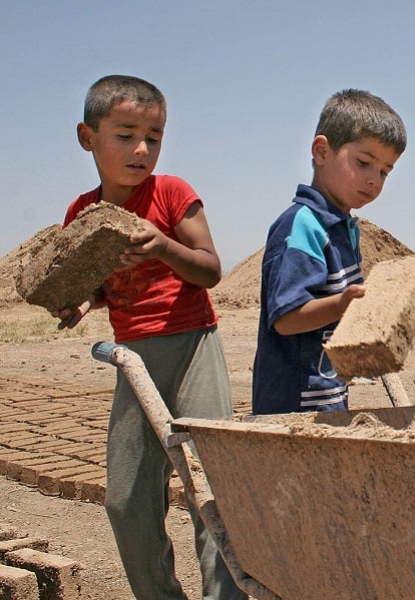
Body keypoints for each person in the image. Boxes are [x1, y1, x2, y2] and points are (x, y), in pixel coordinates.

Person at [54, 75, 246, 600]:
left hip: (193, 348)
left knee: (212, 487)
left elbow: (209, 269)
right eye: (125, 135)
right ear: (87, 137)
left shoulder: (171, 193)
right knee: (127, 500)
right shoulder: (82, 214)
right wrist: (83, 301)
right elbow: (98, 284)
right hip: (133, 361)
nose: (142, 149)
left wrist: (162, 246)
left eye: (154, 137)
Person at [252, 89, 407, 415]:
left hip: (328, 396)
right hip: (294, 409)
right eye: (363, 163)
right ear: (322, 151)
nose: (374, 180)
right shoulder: (302, 227)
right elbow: (286, 319)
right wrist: (341, 305)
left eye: (384, 171)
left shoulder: (344, 229)